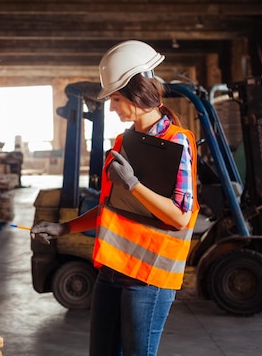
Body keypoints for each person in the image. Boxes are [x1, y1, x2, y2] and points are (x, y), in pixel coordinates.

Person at [31, 40, 199, 356]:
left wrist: (134, 184)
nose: (112, 107)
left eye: (116, 98)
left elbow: (179, 216)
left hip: (148, 276)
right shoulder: (126, 141)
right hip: (113, 269)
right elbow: (111, 209)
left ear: (138, 94)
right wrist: (65, 229)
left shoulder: (176, 142)